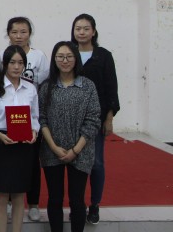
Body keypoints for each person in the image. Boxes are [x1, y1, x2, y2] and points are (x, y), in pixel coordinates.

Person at [39, 41, 101, 232]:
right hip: (52, 151)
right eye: (60, 56)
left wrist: (75, 150)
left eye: (69, 56)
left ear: (76, 59)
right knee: (55, 198)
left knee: (77, 199)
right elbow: (41, 119)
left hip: (81, 151)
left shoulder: (88, 86)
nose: (64, 61)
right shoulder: (46, 87)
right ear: (54, 59)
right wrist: (54, 147)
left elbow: (93, 120)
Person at [0, 45, 40, 232]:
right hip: (2, 143)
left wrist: (34, 131)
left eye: (20, 63)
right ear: (5, 64)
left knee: (18, 195)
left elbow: (35, 117)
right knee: (1, 195)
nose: (16, 67)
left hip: (24, 145)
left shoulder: (30, 88)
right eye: (12, 62)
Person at [71, 14, 120, 225]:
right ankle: (77, 205)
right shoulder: (69, 53)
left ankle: (95, 204)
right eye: (78, 28)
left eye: (86, 28)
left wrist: (109, 118)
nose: (81, 32)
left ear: (93, 31)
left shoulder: (103, 56)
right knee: (75, 164)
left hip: (96, 119)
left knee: (96, 163)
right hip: (71, 118)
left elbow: (111, 87)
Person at [1, 17, 49, 221]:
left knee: (32, 163)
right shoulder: (2, 55)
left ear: (30, 33)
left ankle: (34, 203)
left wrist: (36, 124)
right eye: (14, 32)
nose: (19, 36)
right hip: (6, 120)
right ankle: (9, 201)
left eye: (23, 32)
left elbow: (44, 85)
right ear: (8, 34)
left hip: (29, 118)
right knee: (9, 163)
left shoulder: (39, 57)